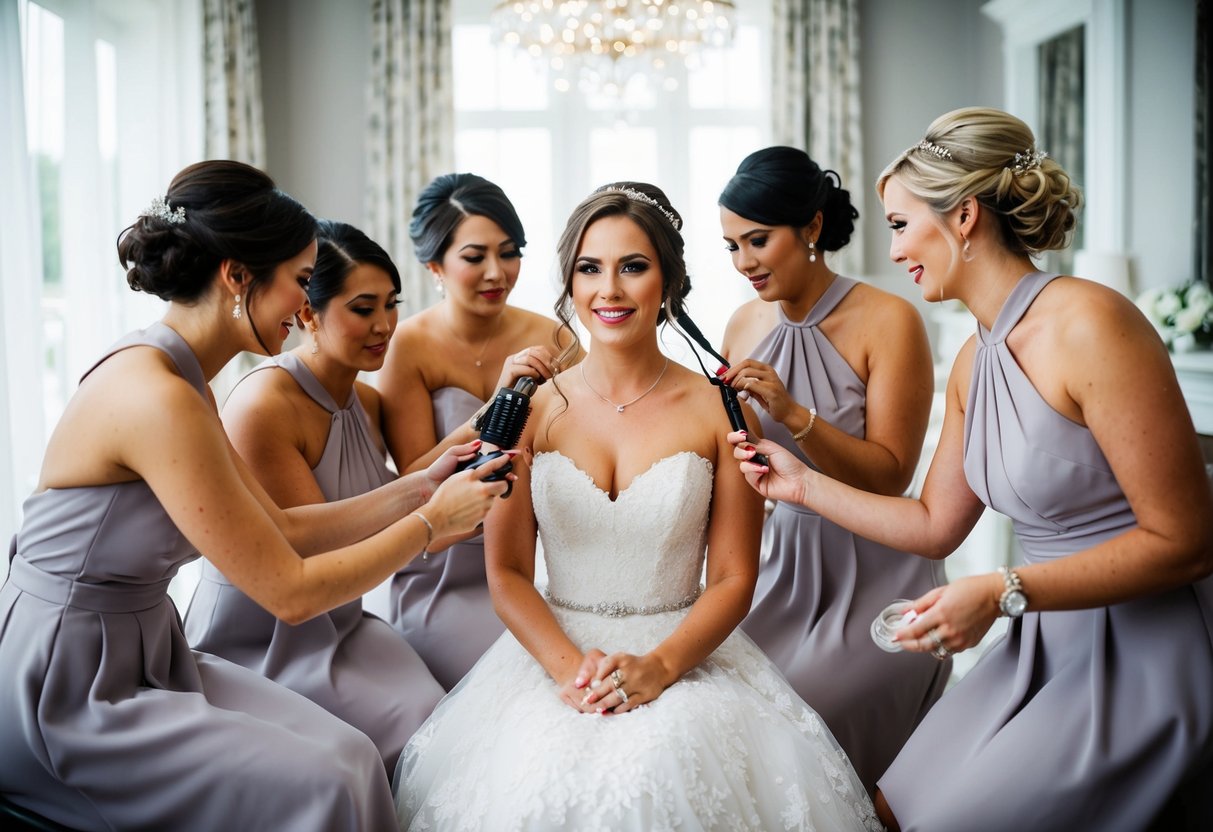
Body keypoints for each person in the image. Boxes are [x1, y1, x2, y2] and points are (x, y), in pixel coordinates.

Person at [730, 108, 1213, 832]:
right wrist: (799, 484)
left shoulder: (1091, 324)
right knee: (885, 809)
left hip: (1147, 648)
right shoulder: (974, 356)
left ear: (961, 217)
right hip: (1042, 633)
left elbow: (1187, 540)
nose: (892, 251)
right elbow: (931, 526)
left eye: (899, 225)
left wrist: (1002, 590)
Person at [0, 161, 510, 831]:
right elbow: (290, 592)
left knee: (354, 755)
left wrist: (422, 486)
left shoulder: (186, 380)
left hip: (150, 650)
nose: (304, 309)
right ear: (238, 277)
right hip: (68, 684)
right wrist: (428, 526)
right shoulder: (156, 396)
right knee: (324, 782)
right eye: (300, 283)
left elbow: (283, 527)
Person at [394, 182, 881, 831]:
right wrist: (571, 674)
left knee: (660, 776)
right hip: (553, 654)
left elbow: (734, 577)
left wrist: (658, 667)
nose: (610, 290)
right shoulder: (533, 409)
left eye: (633, 266)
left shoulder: (720, 408)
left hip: (683, 651)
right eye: (589, 269)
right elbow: (506, 573)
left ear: (668, 280)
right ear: (568, 282)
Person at [716, 145, 946, 794]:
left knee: (816, 716)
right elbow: (742, 460)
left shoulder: (889, 320)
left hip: (876, 567)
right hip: (778, 562)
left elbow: (890, 476)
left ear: (811, 227)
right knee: (731, 708)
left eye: (757, 241)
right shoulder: (741, 323)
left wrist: (795, 411)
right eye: (731, 246)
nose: (744, 263)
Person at [183, 220, 445, 773]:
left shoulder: (367, 403)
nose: (385, 325)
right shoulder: (265, 405)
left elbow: (424, 474)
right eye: (363, 308)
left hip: (344, 622)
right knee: (412, 730)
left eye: (391, 305)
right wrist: (432, 520)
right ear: (307, 313)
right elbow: (309, 548)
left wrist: (506, 402)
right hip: (271, 640)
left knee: (442, 716)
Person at [377, 173, 580, 689]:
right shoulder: (408, 346)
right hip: (445, 565)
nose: (497, 272)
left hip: (545, 557)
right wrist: (496, 405)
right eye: (474, 257)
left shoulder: (554, 337)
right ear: (434, 266)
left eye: (509, 253)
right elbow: (416, 479)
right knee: (515, 683)